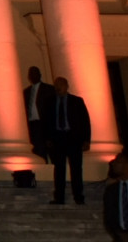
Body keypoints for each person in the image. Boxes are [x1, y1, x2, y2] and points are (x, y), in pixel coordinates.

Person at [48, 77, 90, 206]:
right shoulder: (50, 102)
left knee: (76, 169)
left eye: (61, 85)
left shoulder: (77, 101)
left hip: (74, 138)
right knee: (59, 169)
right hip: (58, 139)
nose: (58, 87)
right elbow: (46, 122)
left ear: (67, 86)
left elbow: (85, 121)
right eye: (56, 85)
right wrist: (48, 139)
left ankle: (78, 196)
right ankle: (59, 197)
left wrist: (86, 140)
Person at [22, 67, 55, 163]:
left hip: (46, 124)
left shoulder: (49, 89)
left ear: (40, 75)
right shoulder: (26, 92)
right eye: (31, 74)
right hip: (33, 125)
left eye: (35, 73)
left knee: (52, 151)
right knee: (38, 151)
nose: (33, 76)